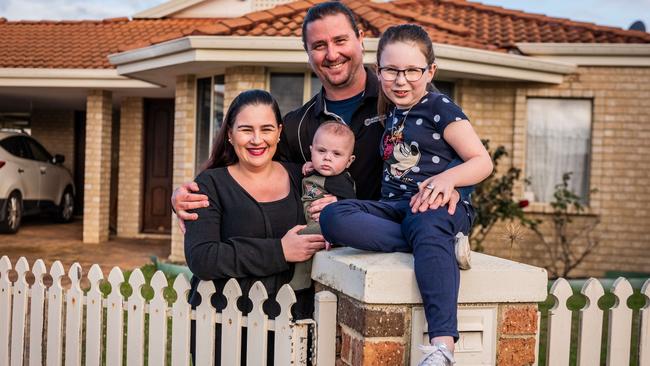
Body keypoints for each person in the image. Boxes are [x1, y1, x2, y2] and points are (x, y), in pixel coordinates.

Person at [171, 1, 463, 231]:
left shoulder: (407, 101)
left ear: (360, 40)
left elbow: (462, 154)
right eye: (319, 46)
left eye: (340, 40)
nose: (332, 54)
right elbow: (250, 167)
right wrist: (190, 192)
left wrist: (456, 190)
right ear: (307, 52)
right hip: (320, 261)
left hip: (399, 245)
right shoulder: (298, 125)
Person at [319, 24, 493, 366]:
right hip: (396, 207)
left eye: (412, 70)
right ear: (378, 70)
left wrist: (448, 181)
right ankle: (438, 245)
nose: (401, 80)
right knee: (333, 216)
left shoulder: (440, 107)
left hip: (437, 207)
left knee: (426, 224)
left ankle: (443, 346)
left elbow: (481, 161)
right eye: (391, 70)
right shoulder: (395, 109)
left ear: (430, 71)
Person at [183, 89, 326, 364]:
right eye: (246, 129)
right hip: (224, 325)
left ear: (279, 132)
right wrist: (280, 251)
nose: (257, 140)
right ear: (229, 134)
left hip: (293, 322)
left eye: (267, 129)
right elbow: (202, 258)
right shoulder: (209, 184)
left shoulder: (304, 178)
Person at [299, 120, 356, 235]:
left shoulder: (338, 180)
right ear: (311, 151)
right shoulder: (318, 171)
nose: (327, 158)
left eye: (336, 154)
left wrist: (338, 204)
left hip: (323, 224)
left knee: (300, 234)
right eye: (321, 151)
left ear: (349, 161)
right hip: (311, 221)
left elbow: (351, 202)